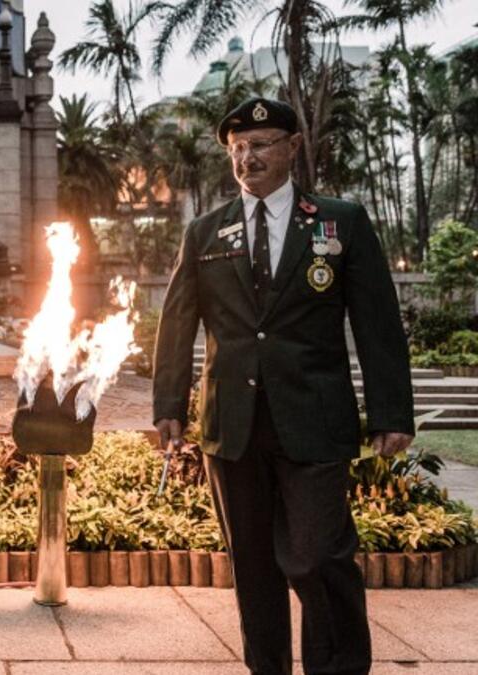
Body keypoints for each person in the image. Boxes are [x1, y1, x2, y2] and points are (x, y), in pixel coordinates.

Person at [152, 97, 415, 675]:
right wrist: (169, 405)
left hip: (313, 419)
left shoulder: (340, 223)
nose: (247, 157)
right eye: (238, 148)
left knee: (319, 556)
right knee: (251, 565)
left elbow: (376, 322)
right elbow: (177, 323)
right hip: (232, 424)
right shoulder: (205, 232)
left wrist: (392, 412)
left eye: (261, 144)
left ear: (293, 147)